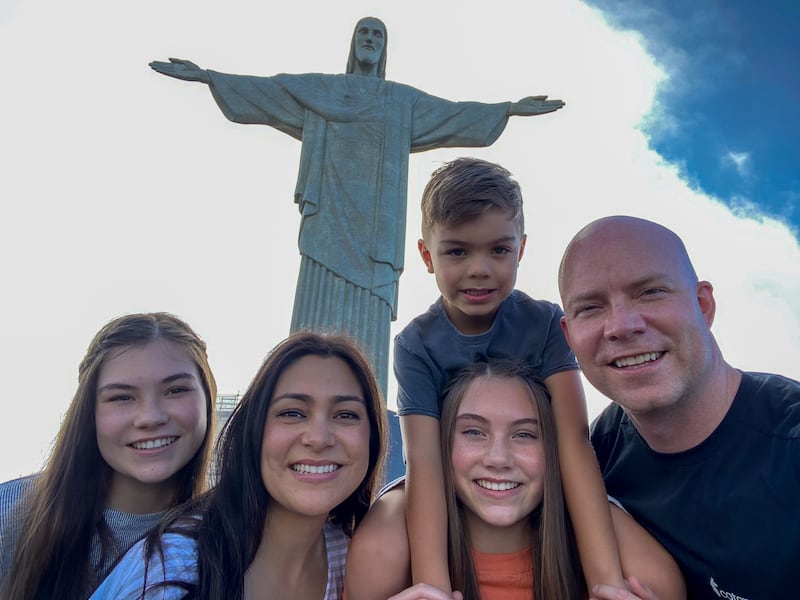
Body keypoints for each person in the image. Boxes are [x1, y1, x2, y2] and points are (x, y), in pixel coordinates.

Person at [148, 16, 564, 393]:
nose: (369, 41)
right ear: (353, 43)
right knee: (314, 313)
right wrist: (208, 77)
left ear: (384, 49)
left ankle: (362, 400)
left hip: (374, 239)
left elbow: (452, 115)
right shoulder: (321, 91)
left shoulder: (400, 102)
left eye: (377, 35)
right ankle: (303, 392)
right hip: (326, 223)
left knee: (368, 330)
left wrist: (507, 110)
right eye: (364, 33)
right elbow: (267, 91)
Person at [379, 157, 625, 593]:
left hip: (531, 482)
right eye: (457, 251)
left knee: (650, 567)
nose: (480, 268)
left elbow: (572, 439)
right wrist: (432, 586)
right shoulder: (415, 344)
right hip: (455, 478)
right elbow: (424, 460)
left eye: (499, 250)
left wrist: (607, 581)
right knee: (379, 539)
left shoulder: (547, 323)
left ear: (521, 250)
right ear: (426, 255)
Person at [558, 215, 800, 599]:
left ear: (703, 305)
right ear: (569, 337)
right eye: (590, 308)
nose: (621, 325)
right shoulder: (593, 461)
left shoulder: (790, 445)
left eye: (650, 292)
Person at [346, 359, 685, 600]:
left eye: (524, 435)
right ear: (441, 448)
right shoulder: (388, 543)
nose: (498, 459)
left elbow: (666, 585)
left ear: (555, 452)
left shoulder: (605, 539)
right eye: (474, 432)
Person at [91, 331, 388, 599]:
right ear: (253, 431)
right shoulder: (174, 571)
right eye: (293, 413)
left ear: (373, 437)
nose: (319, 438)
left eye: (346, 415)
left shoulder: (354, 559)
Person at [0, 312, 217, 599]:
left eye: (175, 390)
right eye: (122, 397)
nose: (150, 417)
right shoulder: (11, 510)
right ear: (89, 412)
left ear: (208, 400)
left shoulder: (229, 541)